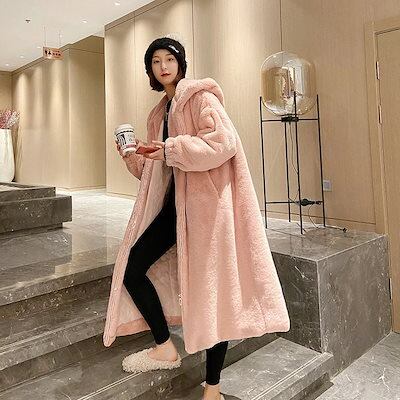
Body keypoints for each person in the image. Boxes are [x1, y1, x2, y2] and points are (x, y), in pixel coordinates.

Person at [107, 35, 290, 400]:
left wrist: (171, 148)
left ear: (180, 63)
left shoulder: (200, 98)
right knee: (133, 267)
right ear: (150, 70)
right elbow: (155, 172)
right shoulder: (159, 113)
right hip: (175, 209)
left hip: (207, 212)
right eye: (156, 61)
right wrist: (133, 156)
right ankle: (165, 346)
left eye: (169, 59)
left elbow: (223, 143)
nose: (163, 66)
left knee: (213, 294)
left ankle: (213, 389)